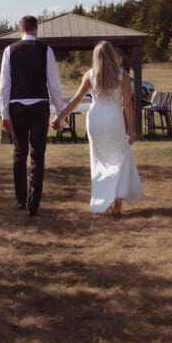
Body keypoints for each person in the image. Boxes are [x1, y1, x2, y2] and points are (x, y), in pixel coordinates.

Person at [52, 40, 145, 216]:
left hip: (95, 120)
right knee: (119, 159)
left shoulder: (90, 75)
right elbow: (128, 104)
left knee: (100, 162)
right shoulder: (122, 76)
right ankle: (117, 201)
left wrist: (59, 117)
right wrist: (131, 131)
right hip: (114, 119)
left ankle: (106, 198)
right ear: (112, 55)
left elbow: (76, 100)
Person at [0, 15, 66, 217]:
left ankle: (20, 200)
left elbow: (5, 85)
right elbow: (54, 84)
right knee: (38, 155)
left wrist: (4, 114)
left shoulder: (9, 50)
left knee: (20, 154)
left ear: (20, 30)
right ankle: (33, 204)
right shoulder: (46, 50)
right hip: (39, 106)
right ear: (36, 29)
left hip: (17, 106)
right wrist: (59, 113)